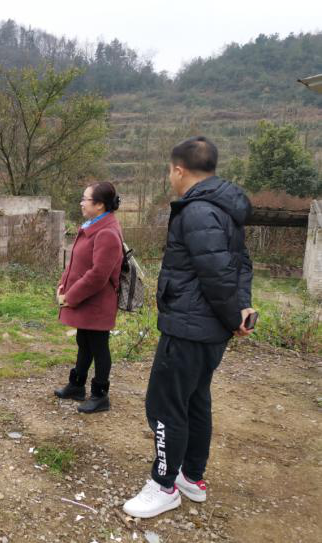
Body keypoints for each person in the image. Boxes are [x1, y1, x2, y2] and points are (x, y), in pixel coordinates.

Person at [123, 137, 254, 518]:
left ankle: (163, 485)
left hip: (189, 328)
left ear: (179, 170)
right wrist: (240, 310)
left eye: (170, 171)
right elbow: (241, 265)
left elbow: (216, 275)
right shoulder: (225, 208)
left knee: (165, 406)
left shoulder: (197, 211)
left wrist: (233, 316)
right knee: (196, 400)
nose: (170, 178)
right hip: (207, 330)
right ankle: (191, 477)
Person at [54, 182, 124, 414]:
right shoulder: (92, 226)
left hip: (98, 303)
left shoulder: (107, 233)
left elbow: (98, 275)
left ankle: (100, 395)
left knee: (99, 347)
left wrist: (71, 296)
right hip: (86, 300)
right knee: (84, 342)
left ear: (100, 205)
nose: (81, 203)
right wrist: (62, 285)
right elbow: (75, 261)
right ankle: (76, 385)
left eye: (85, 199)